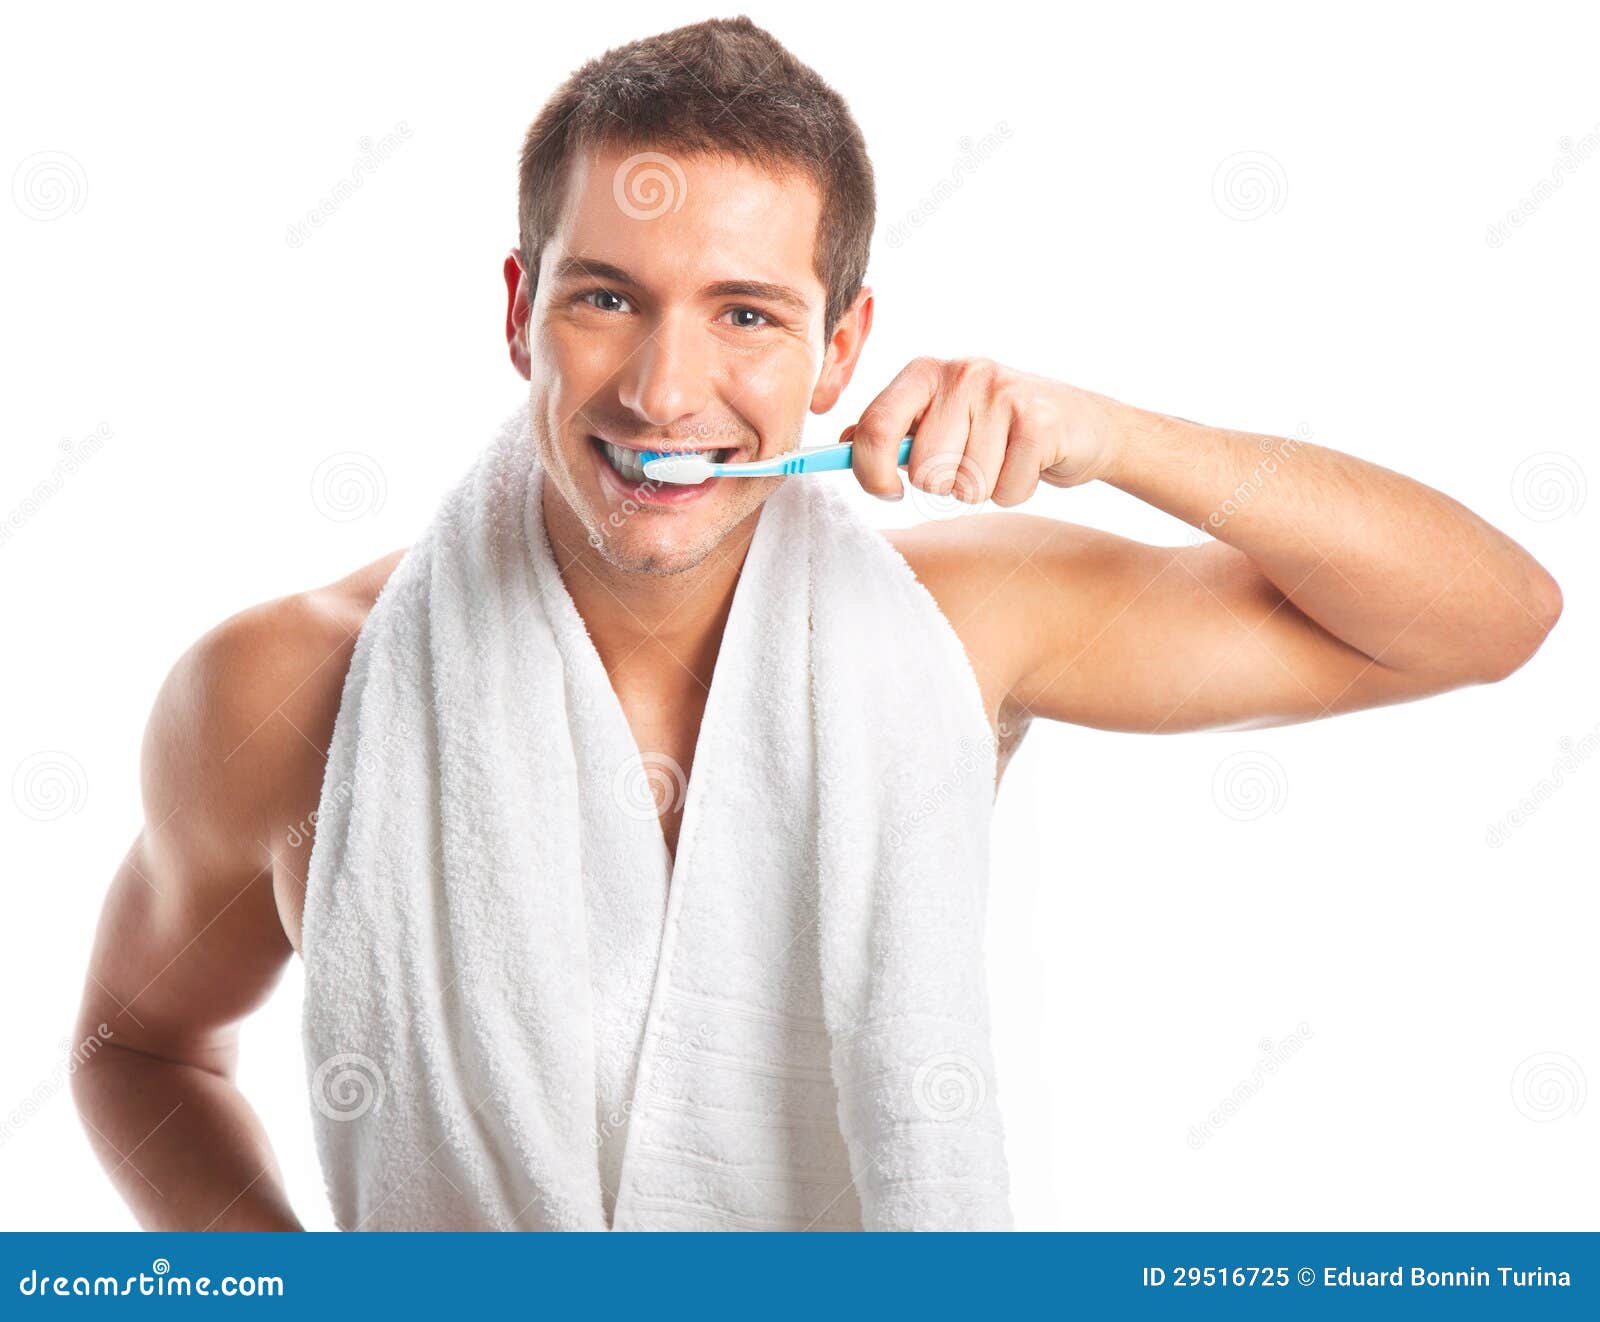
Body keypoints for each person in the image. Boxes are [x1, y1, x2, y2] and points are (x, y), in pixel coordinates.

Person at [71, 16, 1561, 1231]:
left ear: (841, 343)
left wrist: (1109, 434)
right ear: (519, 307)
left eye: (746, 315)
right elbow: (136, 1048)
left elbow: (1483, 617)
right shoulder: (286, 684)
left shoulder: (955, 626)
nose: (664, 390)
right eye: (606, 297)